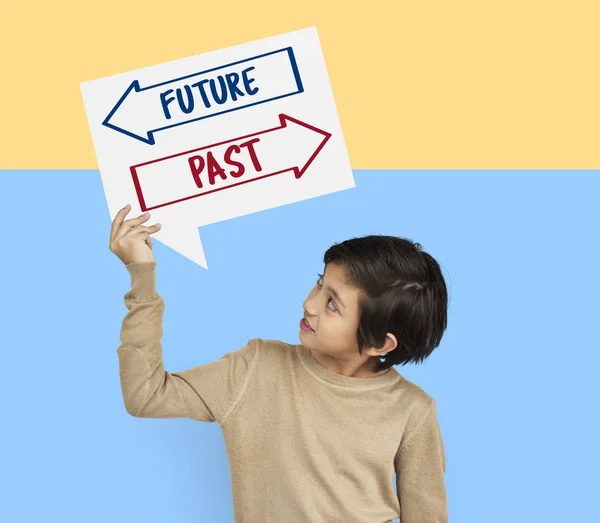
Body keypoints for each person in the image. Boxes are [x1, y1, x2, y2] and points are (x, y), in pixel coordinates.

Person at [109, 203, 449, 523]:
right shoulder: (256, 368)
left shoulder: (413, 411)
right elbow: (147, 395)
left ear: (378, 343)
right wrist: (142, 278)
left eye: (332, 304)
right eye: (319, 284)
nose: (309, 303)